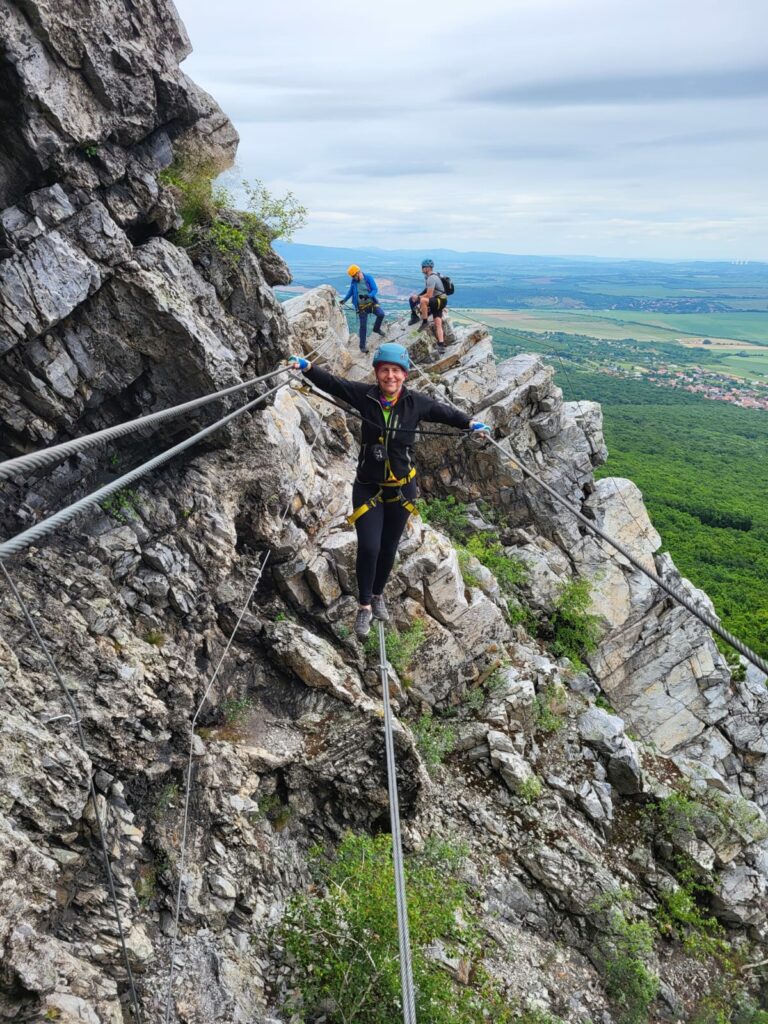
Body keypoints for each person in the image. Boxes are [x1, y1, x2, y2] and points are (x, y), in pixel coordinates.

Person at [288, 343, 490, 637]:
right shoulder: (365, 396)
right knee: (369, 547)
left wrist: (470, 423)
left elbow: (443, 412)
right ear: (377, 372)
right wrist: (307, 368)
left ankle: (378, 595)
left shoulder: (414, 403)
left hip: (401, 489)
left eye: (396, 371)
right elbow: (335, 384)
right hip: (369, 486)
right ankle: (364, 606)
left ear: (404, 375)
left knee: (389, 548)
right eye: (385, 370)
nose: (390, 376)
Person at [340, 264, 386, 355]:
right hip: (361, 308)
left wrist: (368, 296)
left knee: (381, 314)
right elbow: (350, 291)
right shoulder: (354, 282)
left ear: (358, 273)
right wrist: (344, 300)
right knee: (363, 326)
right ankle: (362, 347)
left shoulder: (368, 278)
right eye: (352, 276)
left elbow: (375, 289)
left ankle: (376, 329)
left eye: (354, 276)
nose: (354, 278)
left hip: (371, 304)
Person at [409, 258, 447, 353]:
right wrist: (418, 296)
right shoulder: (430, 277)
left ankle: (424, 322)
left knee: (423, 301)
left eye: (423, 267)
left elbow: (429, 295)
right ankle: (441, 345)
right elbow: (427, 290)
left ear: (428, 268)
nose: (422, 269)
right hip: (441, 301)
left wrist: (417, 297)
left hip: (438, 301)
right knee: (438, 323)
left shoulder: (431, 278)